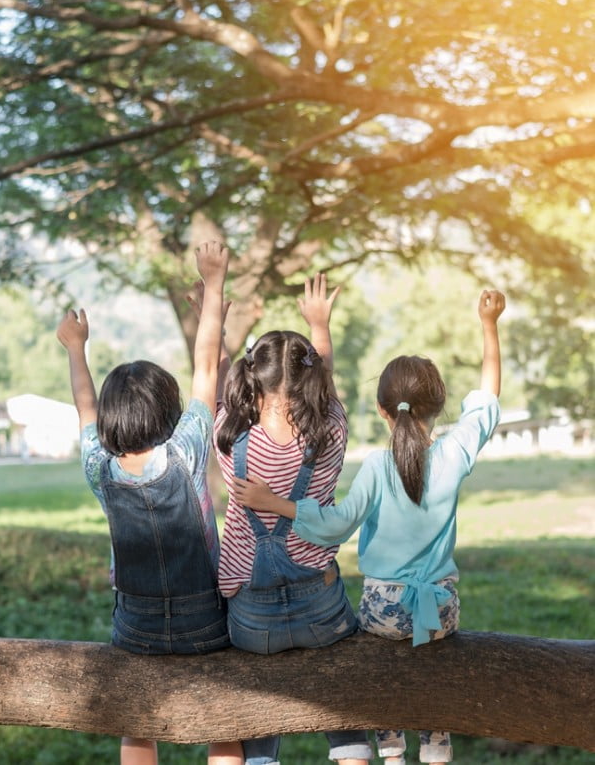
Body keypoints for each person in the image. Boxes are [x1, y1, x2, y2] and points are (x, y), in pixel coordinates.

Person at [232, 290, 506, 765]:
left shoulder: (379, 466)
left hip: (383, 609)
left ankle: (392, 747)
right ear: (438, 405)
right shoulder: (456, 452)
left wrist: (277, 503)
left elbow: (338, 522)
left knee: (377, 658)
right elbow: (487, 398)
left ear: (383, 410)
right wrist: (489, 324)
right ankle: (437, 747)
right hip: (441, 610)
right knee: (433, 670)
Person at [57, 241, 243, 765]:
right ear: (170, 411)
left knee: (137, 723)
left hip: (134, 625)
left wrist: (76, 348)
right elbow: (207, 365)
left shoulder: (101, 469)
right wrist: (213, 284)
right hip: (205, 620)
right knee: (223, 718)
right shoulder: (186, 451)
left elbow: (84, 406)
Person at [214, 273, 373, 765]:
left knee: (260, 700)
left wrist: (217, 325)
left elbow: (218, 378)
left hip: (251, 618)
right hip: (321, 608)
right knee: (343, 704)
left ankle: (262, 758)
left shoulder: (227, 435)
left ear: (250, 383)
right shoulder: (329, 434)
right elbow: (328, 385)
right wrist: (319, 323)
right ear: (315, 383)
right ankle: (353, 753)